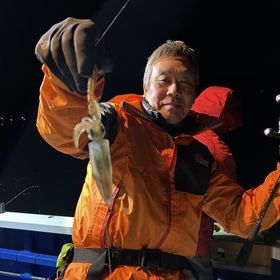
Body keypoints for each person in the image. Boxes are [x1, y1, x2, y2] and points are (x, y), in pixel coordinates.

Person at [35, 17, 280, 280]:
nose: (175, 90)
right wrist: (68, 81)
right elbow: (64, 130)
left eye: (185, 84)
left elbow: (242, 217)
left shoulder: (201, 159)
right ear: (146, 86)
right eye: (164, 80)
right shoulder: (116, 121)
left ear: (193, 94)